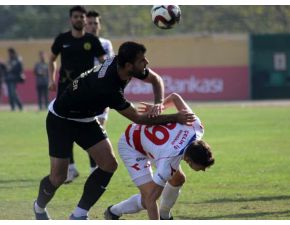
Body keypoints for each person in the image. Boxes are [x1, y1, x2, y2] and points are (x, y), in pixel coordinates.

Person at [33, 41, 196, 220]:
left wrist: (158, 104)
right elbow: (138, 118)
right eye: (142, 60)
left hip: (85, 120)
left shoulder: (123, 66)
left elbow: (156, 80)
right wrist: (176, 117)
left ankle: (79, 215)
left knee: (109, 164)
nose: (146, 62)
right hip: (61, 120)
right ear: (128, 65)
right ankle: (39, 207)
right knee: (58, 177)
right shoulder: (108, 87)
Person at [104, 93, 215, 220]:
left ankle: (164, 215)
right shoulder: (168, 163)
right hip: (131, 145)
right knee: (148, 199)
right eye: (201, 167)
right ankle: (114, 211)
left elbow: (174, 97)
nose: (203, 170)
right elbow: (151, 200)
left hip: (156, 146)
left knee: (178, 179)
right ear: (189, 160)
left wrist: (159, 107)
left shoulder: (196, 127)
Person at [47, 6, 106, 183]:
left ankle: (94, 167)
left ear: (85, 19)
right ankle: (70, 169)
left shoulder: (92, 41)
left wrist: (103, 82)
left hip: (87, 93)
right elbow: (51, 59)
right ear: (70, 19)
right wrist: (51, 78)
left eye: (82, 16)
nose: (79, 19)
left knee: (90, 126)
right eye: (76, 16)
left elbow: (104, 62)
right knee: (65, 128)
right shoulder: (62, 39)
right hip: (65, 93)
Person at [66, 10, 116, 180]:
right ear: (84, 24)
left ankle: (94, 168)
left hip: (100, 96)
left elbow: (110, 66)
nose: (93, 26)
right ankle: (71, 167)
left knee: (97, 130)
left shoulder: (106, 44)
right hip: (79, 94)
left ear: (99, 25)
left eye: (96, 23)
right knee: (69, 130)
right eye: (90, 23)